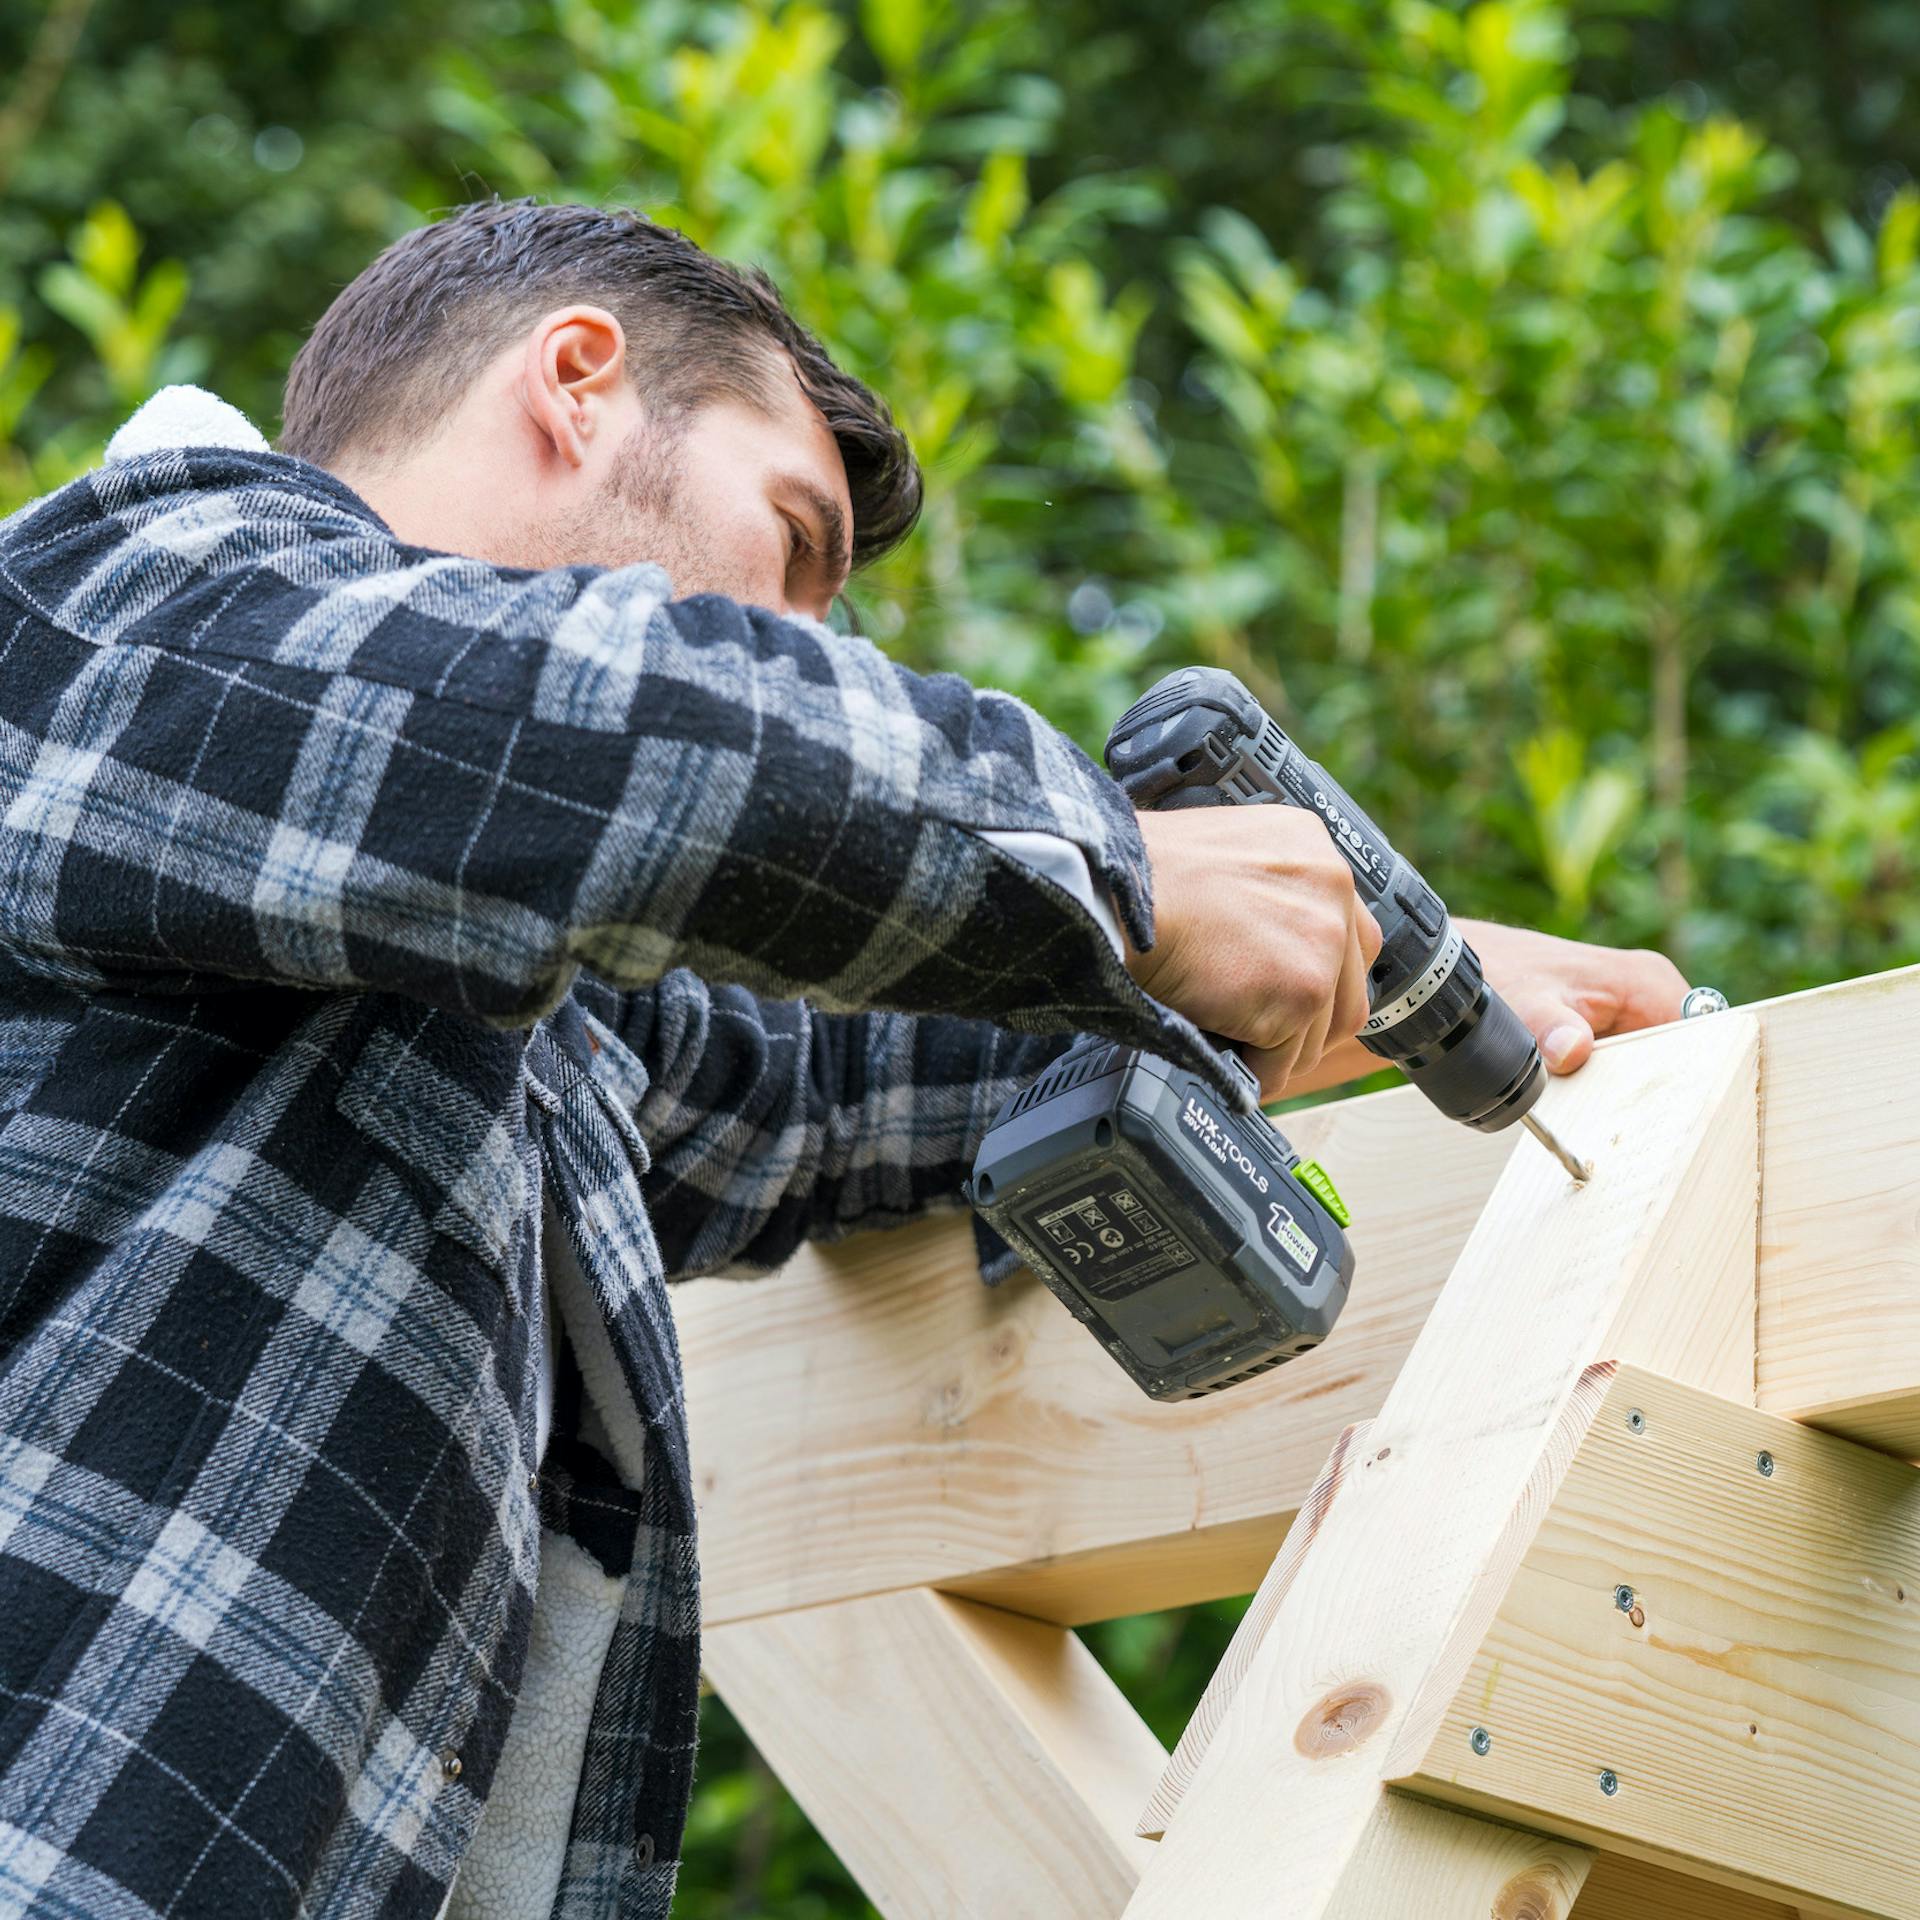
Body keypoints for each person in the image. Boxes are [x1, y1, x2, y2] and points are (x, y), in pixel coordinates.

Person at [0, 198, 1685, 1920]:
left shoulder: (487, 1000)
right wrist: (1118, 872)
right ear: (576, 379)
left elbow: (801, 1089)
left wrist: (1306, 1001)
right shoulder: (115, 607)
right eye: (789, 533)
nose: (806, 647)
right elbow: (634, 743)